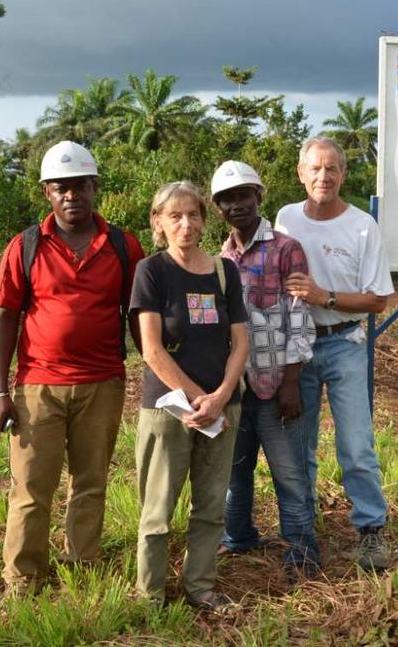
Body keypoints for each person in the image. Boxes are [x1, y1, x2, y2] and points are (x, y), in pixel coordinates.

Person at [0, 140, 146, 594]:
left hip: (103, 383)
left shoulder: (122, 245)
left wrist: (158, 369)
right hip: (38, 386)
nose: (72, 195)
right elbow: (4, 318)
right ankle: (22, 580)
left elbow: (139, 315)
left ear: (95, 188)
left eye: (80, 186)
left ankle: (83, 569)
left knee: (91, 484)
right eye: (62, 187)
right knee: (31, 491)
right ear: (47, 193)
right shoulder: (26, 246)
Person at [274, 136, 395, 571]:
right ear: (300, 173)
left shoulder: (362, 226)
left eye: (332, 169)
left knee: (356, 443)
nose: (323, 177)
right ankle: (303, 531)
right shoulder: (286, 219)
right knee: (298, 444)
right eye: (315, 169)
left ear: (343, 175)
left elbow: (378, 299)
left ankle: (370, 530)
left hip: (345, 342)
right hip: (299, 346)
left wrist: (324, 297)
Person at [132, 181, 249, 611]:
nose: (186, 224)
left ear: (204, 219)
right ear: (158, 222)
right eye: (175, 216)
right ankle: (151, 597)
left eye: (193, 215)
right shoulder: (152, 271)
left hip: (221, 409)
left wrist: (220, 398)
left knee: (211, 505)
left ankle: (201, 587)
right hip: (170, 411)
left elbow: (240, 343)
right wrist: (201, 399)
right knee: (158, 511)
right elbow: (151, 350)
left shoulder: (224, 271)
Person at [210, 160, 320, 581]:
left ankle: (302, 552)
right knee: (235, 473)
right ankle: (238, 538)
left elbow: (299, 314)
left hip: (277, 385)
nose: (236, 205)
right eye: (227, 199)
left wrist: (292, 380)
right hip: (235, 389)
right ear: (218, 207)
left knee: (289, 474)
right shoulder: (219, 259)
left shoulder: (285, 248)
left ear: (259, 196)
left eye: (243, 196)